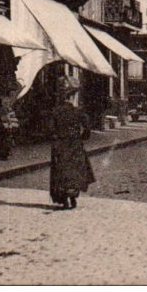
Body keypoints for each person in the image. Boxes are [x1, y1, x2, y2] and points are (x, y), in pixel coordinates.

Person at [49, 81, 95, 210]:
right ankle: (73, 197)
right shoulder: (78, 112)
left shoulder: (56, 112)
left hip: (60, 144)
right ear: (71, 98)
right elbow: (87, 129)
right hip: (74, 143)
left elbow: (51, 129)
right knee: (74, 170)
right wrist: (82, 138)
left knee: (61, 170)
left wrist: (57, 137)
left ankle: (63, 199)